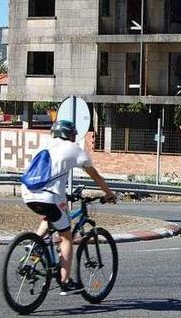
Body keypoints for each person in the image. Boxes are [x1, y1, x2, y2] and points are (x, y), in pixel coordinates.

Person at [21, 119, 116, 293]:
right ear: (70, 135)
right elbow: (95, 175)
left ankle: (35, 242)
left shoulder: (44, 145)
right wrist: (109, 194)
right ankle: (65, 282)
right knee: (66, 237)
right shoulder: (74, 149)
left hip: (27, 193)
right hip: (49, 196)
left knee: (52, 214)